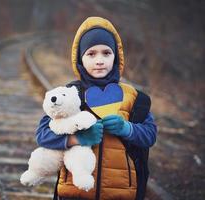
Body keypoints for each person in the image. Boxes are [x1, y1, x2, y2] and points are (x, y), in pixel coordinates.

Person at [36, 16, 157, 200]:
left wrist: (127, 128)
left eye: (106, 53)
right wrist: (76, 139)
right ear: (80, 58)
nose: (99, 60)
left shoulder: (134, 99)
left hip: (120, 193)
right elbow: (43, 134)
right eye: (91, 54)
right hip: (75, 192)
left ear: (116, 56)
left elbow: (150, 135)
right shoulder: (69, 95)